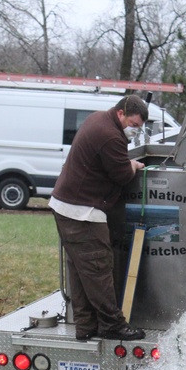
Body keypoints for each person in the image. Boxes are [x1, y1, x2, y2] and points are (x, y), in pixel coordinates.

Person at [49, 94, 148, 341]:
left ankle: (85, 326)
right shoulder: (111, 136)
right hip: (82, 213)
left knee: (81, 271)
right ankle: (112, 325)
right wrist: (133, 166)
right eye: (134, 125)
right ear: (121, 114)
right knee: (98, 268)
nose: (135, 131)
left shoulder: (97, 120)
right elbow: (121, 175)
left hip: (66, 206)